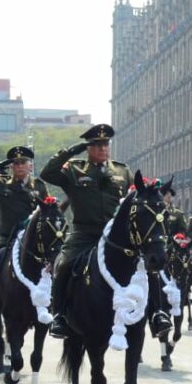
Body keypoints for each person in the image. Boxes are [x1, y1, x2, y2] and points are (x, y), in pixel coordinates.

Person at [40, 124, 144, 339]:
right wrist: (71, 151)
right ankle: (59, 315)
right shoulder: (74, 169)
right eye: (96, 145)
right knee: (64, 265)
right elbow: (47, 173)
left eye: (105, 145)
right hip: (85, 234)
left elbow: (137, 197)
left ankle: (157, 313)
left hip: (116, 236)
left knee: (147, 266)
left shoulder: (122, 171)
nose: (102, 149)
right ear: (88, 148)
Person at [0, 145, 50, 319]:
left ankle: (55, 305)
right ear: (11, 167)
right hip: (7, 237)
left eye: (23, 162)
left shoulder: (40, 186)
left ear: (30, 166)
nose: (19, 166)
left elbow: (47, 210)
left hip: (34, 239)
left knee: (56, 261)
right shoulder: (0, 185)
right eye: (15, 163)